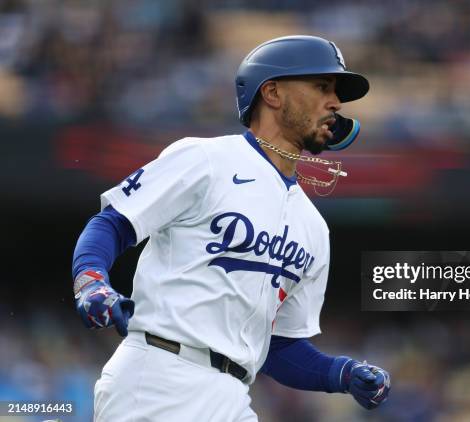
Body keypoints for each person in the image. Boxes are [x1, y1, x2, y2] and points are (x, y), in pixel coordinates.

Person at [72, 35, 390, 421]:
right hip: (159, 377)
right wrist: (91, 280)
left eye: (336, 92)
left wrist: (341, 373)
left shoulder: (314, 227)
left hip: (234, 395)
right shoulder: (206, 159)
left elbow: (278, 348)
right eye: (322, 87)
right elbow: (113, 224)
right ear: (272, 92)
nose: (336, 103)